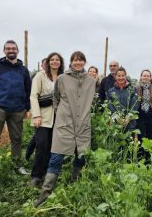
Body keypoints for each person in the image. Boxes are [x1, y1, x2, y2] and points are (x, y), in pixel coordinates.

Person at [34, 51, 96, 207]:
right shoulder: (62, 79)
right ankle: (45, 193)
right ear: (70, 62)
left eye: (81, 60)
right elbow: (55, 99)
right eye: (75, 60)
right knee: (56, 158)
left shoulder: (91, 81)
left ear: (84, 62)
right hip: (64, 124)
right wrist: (62, 113)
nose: (78, 63)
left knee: (81, 156)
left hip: (83, 124)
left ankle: (74, 185)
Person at [0, 40, 31, 175]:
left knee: (17, 140)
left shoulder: (24, 70)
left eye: (13, 48)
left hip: (17, 110)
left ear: (18, 51)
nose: (11, 51)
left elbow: (28, 91)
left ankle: (17, 166)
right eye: (8, 49)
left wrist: (26, 107)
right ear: (4, 51)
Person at [29, 52, 64, 186]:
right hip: (43, 116)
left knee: (52, 145)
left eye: (57, 60)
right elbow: (33, 96)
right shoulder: (40, 76)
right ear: (48, 62)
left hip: (58, 116)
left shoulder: (62, 77)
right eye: (52, 59)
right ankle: (36, 175)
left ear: (60, 63)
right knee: (42, 144)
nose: (55, 62)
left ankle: (47, 173)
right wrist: (36, 115)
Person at [26, 58, 48, 161]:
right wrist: (34, 112)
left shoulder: (54, 77)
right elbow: (33, 95)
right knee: (39, 138)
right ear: (42, 66)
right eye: (45, 64)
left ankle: (34, 157)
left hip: (50, 113)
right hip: (39, 110)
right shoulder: (37, 76)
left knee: (40, 138)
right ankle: (29, 153)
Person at [135, 69, 152, 162]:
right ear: (141, 77)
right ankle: (140, 159)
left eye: (147, 76)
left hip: (151, 116)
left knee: (149, 139)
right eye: (144, 75)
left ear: (150, 78)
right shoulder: (136, 88)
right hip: (140, 116)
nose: (145, 77)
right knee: (141, 138)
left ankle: (148, 160)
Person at [106, 67, 139, 132]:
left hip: (129, 123)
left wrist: (128, 117)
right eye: (119, 76)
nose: (121, 78)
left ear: (125, 76)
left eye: (123, 76)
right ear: (115, 77)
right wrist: (118, 117)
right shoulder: (110, 91)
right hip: (116, 123)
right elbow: (110, 105)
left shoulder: (132, 89)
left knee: (129, 141)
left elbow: (135, 105)